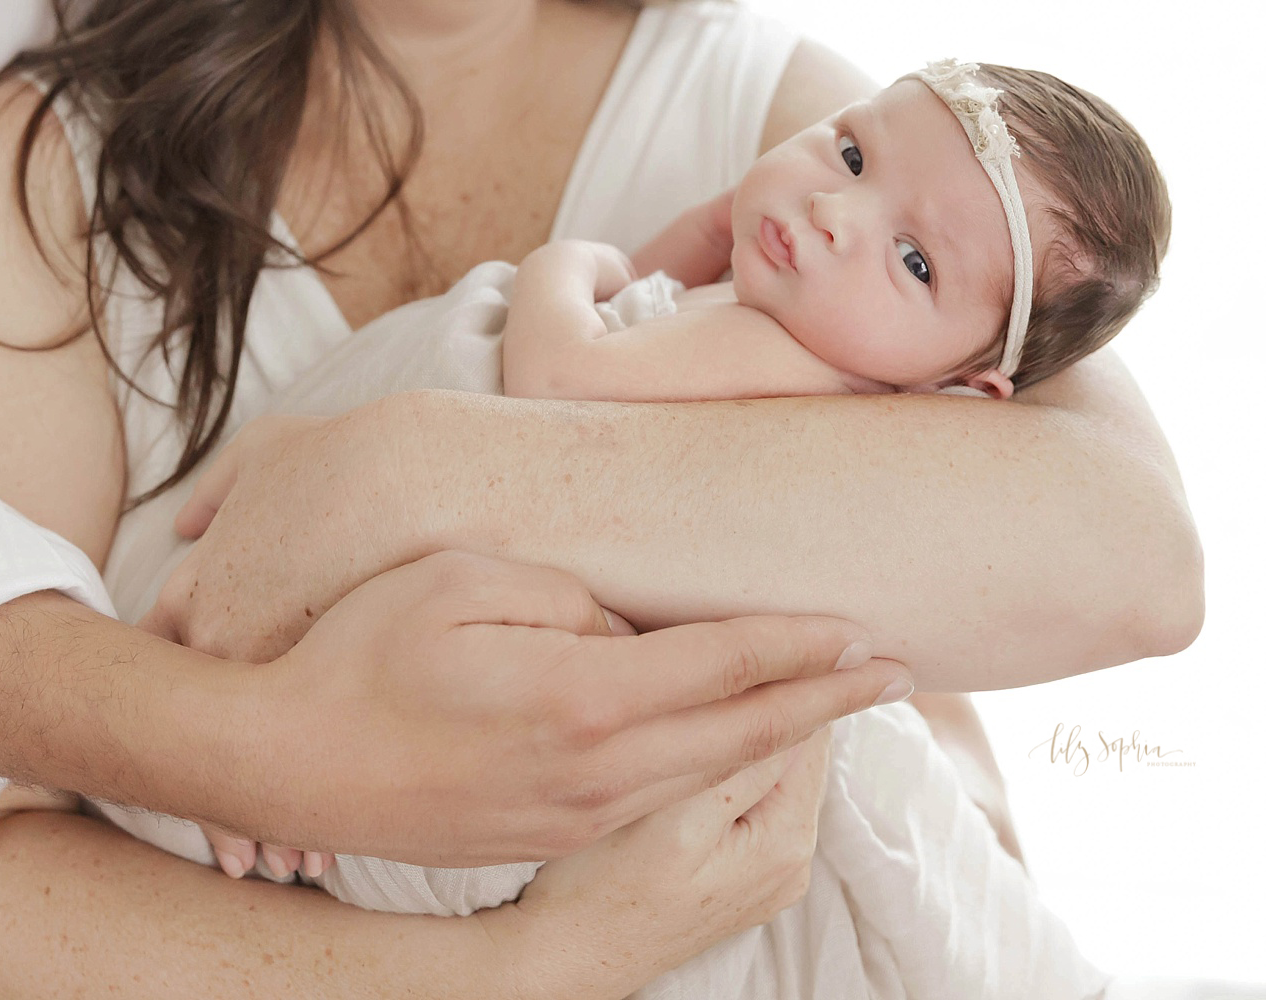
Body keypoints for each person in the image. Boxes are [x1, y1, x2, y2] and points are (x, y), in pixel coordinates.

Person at [0, 0, 1201, 996]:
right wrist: (533, 967)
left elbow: (1138, 567)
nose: (852, 207)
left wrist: (409, 467)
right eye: (850, 167)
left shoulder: (809, 115)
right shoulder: (52, 181)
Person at [191, 55, 1171, 880]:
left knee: (340, 617)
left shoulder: (791, 363)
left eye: (914, 261)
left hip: (461, 516)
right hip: (448, 526)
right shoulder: (793, 329)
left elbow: (560, 373)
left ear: (965, 385)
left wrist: (557, 265)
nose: (835, 208)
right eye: (853, 152)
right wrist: (703, 250)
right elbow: (650, 315)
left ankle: (252, 747)